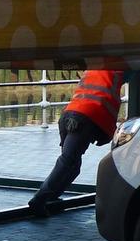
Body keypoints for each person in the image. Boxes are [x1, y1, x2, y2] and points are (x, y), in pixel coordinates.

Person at [28, 70, 125, 217]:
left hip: (67, 115)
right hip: (83, 120)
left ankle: (52, 196)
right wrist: (107, 135)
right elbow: (107, 110)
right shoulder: (116, 75)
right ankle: (39, 201)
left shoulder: (94, 70)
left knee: (72, 165)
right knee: (67, 162)